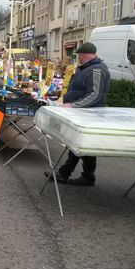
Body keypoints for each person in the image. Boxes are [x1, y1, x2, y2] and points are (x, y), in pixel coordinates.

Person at [49, 42, 110, 186]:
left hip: (88, 113)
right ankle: (86, 176)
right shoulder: (89, 68)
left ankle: (66, 173)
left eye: (79, 56)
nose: (78, 59)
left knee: (78, 143)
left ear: (84, 55)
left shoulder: (96, 70)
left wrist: (73, 105)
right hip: (83, 112)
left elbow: (95, 95)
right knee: (84, 145)